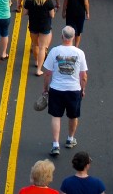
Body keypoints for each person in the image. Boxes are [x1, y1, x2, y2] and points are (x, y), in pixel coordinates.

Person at [42, 26, 89, 156]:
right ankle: (70, 138)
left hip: (57, 89)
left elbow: (47, 73)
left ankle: (55, 144)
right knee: (73, 115)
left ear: (62, 36)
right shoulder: (80, 53)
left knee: (56, 116)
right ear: (73, 37)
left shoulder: (54, 51)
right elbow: (83, 75)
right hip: (74, 90)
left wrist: (45, 89)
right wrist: (82, 89)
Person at [24, 0, 56, 77]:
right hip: (44, 26)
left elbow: (25, 13)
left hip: (33, 25)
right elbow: (52, 15)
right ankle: (39, 69)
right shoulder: (48, 1)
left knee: (35, 45)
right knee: (42, 47)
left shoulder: (29, 0)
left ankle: (37, 61)